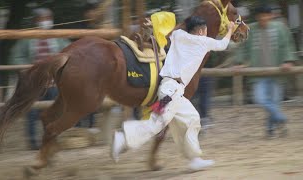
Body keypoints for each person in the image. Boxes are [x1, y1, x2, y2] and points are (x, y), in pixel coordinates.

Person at [111, 16, 235, 171]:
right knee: (156, 123)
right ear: (202, 30)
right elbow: (223, 44)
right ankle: (122, 138)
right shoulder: (204, 42)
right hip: (171, 93)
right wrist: (230, 29)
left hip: (171, 91)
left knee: (191, 118)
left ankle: (194, 159)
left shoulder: (179, 36)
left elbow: (171, 32)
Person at [8, 8, 70, 150]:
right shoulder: (27, 38)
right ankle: (33, 142)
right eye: (43, 19)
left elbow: (69, 52)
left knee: (54, 112)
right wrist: (28, 70)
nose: (47, 22)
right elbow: (15, 57)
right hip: (34, 84)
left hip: (54, 83)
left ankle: (51, 139)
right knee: (32, 113)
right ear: (36, 21)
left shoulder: (58, 37)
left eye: (49, 18)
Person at [235, 4, 297, 137]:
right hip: (258, 73)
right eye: (261, 15)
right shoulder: (250, 29)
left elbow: (287, 45)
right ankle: (281, 118)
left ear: (271, 15)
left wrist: (288, 61)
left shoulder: (280, 28)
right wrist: (240, 63)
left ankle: (270, 130)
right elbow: (242, 47)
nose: (263, 18)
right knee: (260, 99)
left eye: (266, 15)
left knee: (274, 102)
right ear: (257, 17)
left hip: (277, 72)